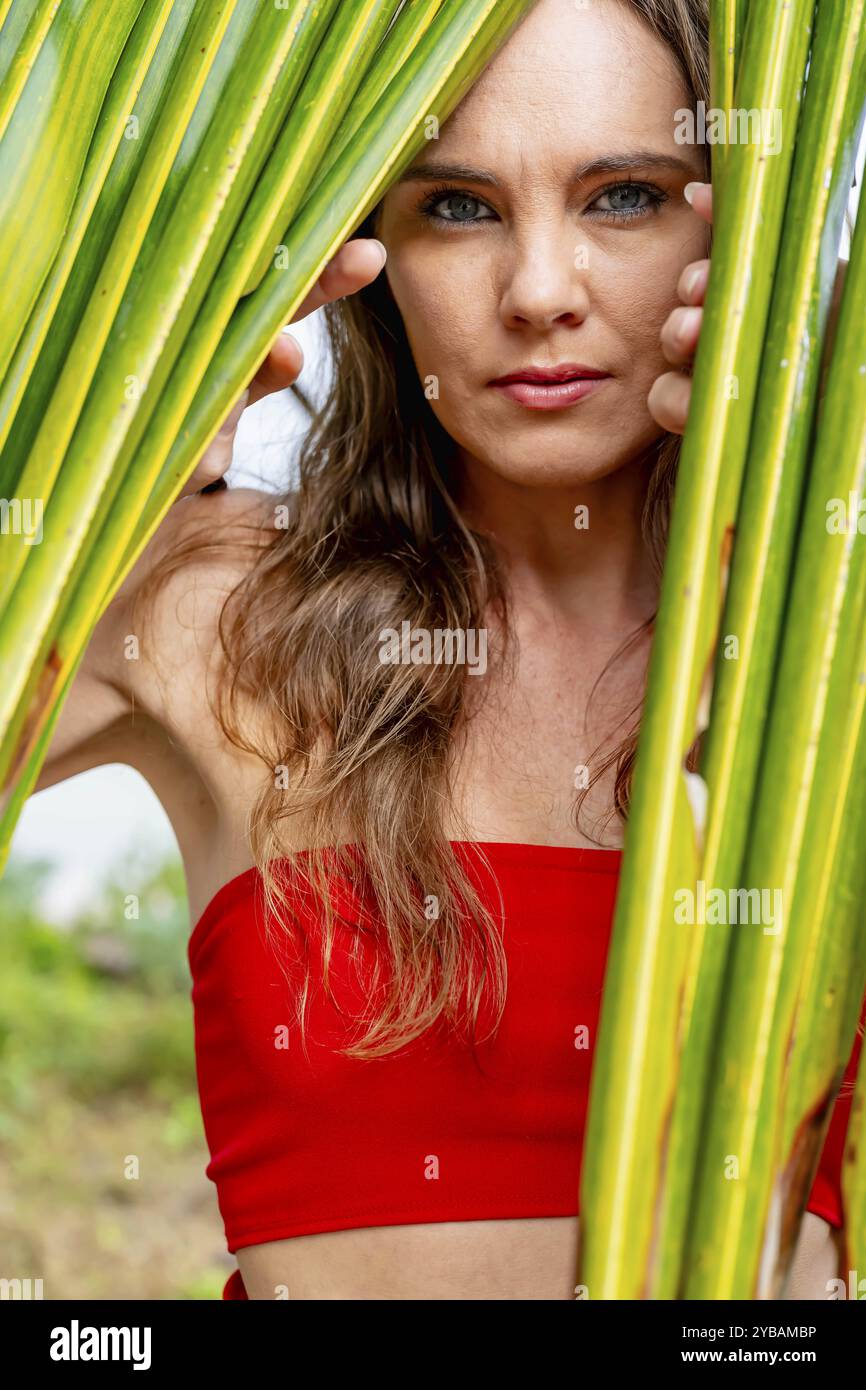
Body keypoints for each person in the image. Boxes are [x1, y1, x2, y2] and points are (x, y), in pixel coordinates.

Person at [32, 0, 860, 1300]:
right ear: (368, 254)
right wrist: (82, 484)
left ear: (736, 217)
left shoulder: (832, 672)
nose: (539, 292)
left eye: (625, 195)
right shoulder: (211, 601)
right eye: (457, 206)